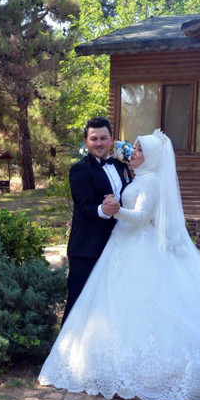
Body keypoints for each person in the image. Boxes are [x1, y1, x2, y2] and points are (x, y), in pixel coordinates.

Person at [39, 130, 200, 400]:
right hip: (119, 245)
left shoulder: (150, 181)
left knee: (147, 306)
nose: (133, 153)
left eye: (139, 150)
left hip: (136, 244)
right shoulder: (136, 175)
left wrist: (117, 210)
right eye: (135, 148)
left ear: (150, 157)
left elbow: (141, 218)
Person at [63, 117, 132, 323]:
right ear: (86, 141)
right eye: (94, 139)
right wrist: (104, 209)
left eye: (103, 138)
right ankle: (64, 351)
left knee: (109, 305)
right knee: (78, 303)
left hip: (118, 247)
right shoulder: (79, 170)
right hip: (87, 249)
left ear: (112, 139)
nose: (99, 143)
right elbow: (84, 207)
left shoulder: (122, 167)